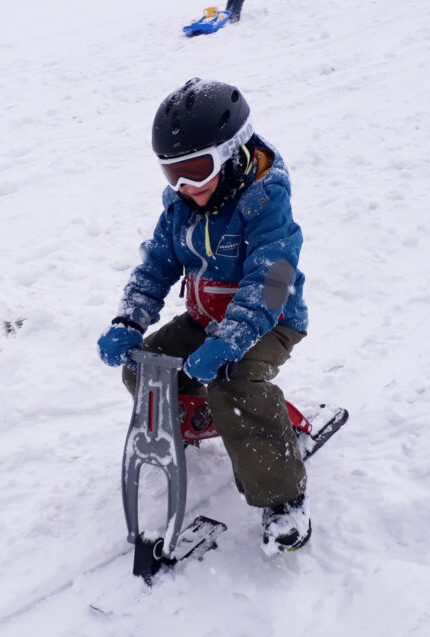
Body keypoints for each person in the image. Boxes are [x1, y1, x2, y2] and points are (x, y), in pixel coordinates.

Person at [97, 78, 310, 553]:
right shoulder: (180, 205)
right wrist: (129, 319)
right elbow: (158, 262)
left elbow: (272, 281)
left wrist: (231, 340)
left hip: (271, 322)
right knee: (144, 364)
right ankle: (191, 421)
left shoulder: (265, 199)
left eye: (197, 169)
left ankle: (282, 497)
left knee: (232, 384)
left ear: (233, 151)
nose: (187, 187)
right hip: (205, 317)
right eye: (174, 174)